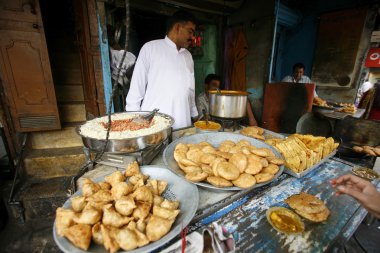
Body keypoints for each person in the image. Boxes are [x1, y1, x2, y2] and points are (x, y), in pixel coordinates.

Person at [125, 10, 198, 129]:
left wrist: (195, 115)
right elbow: (136, 90)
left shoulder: (188, 56)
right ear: (178, 27)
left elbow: (190, 90)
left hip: (183, 123)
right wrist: (134, 122)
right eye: (190, 32)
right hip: (154, 126)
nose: (192, 37)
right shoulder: (150, 49)